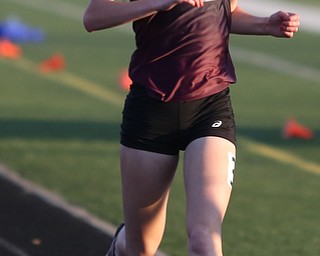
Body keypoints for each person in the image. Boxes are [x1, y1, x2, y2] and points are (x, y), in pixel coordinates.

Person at [83, 0, 300, 255]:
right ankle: (122, 245)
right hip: (151, 110)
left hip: (209, 108)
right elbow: (94, 17)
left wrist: (264, 24)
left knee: (204, 240)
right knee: (140, 247)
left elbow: (224, 11)